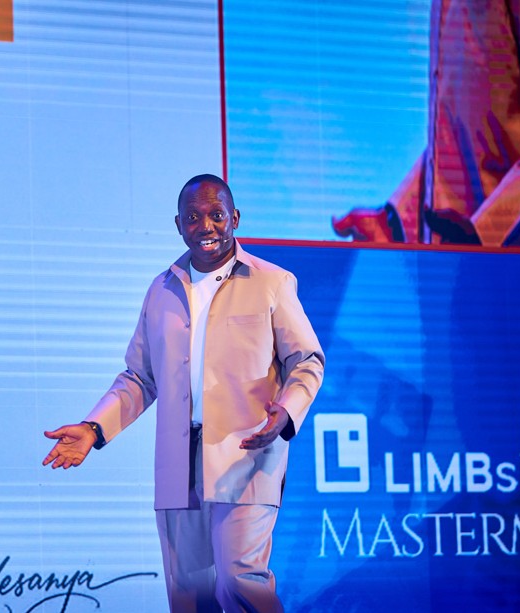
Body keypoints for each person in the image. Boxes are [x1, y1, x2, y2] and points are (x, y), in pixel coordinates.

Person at [42, 174, 325, 612]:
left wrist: (285, 413)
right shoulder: (161, 290)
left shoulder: (271, 282)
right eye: (193, 217)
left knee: (240, 582)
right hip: (179, 462)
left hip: (246, 454)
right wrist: (93, 428)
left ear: (235, 218)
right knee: (190, 596)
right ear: (179, 225)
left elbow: (306, 360)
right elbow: (140, 377)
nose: (206, 226)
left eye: (216, 215)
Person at [331, 0, 520, 246]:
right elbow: (464, 130)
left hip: (516, 258)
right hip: (467, 257)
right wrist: (396, 222)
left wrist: (486, 230)